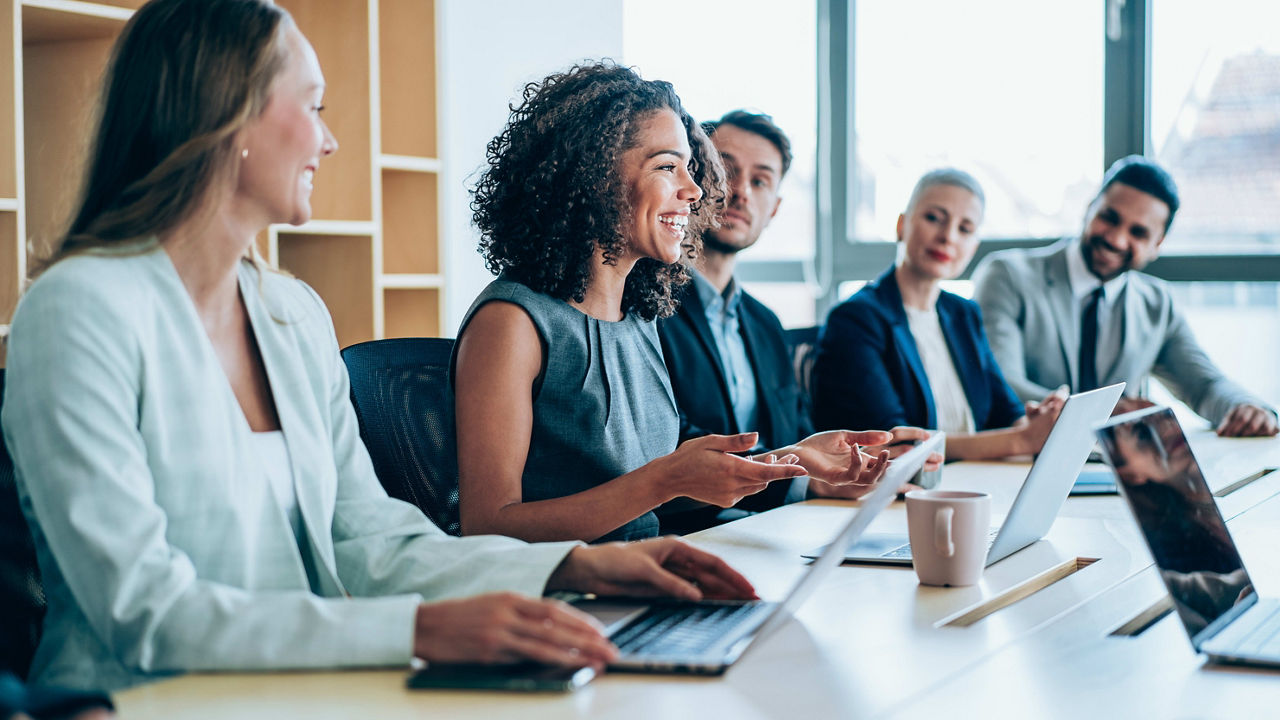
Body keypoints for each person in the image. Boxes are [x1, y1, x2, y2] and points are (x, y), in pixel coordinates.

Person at [2, 0, 758, 693]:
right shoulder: (78, 312)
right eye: (313, 107)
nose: (330, 141)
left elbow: (372, 539)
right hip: (136, 700)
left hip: (305, 690)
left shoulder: (289, 313)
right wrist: (419, 628)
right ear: (227, 119)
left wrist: (583, 563)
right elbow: (143, 608)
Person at [453, 65, 893, 545]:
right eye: (667, 166)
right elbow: (488, 527)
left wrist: (793, 459)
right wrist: (665, 480)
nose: (696, 190)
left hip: (647, 572)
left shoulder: (639, 318)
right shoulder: (511, 322)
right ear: (593, 173)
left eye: (689, 166)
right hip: (570, 601)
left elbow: (657, 493)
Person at [656, 110, 936, 532]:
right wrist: (803, 480)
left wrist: (845, 467)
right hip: (691, 532)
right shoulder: (648, 306)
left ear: (775, 209)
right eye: (725, 171)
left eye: (760, 181)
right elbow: (665, 440)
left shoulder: (765, 324)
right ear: (694, 180)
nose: (741, 192)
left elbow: (798, 435)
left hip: (775, 526)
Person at [972, 155, 1277, 437]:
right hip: (1017, 465)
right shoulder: (1007, 276)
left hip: (1119, 475)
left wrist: (1248, 408)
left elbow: (1205, 387)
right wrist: (1104, 411)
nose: (1117, 239)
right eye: (1110, 218)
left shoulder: (1157, 304)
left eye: (1138, 233)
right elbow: (1000, 385)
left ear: (1158, 244)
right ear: (1089, 207)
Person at [812, 169, 1065, 461]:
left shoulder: (963, 313)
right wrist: (1021, 441)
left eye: (965, 229)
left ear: (973, 248)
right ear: (901, 225)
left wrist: (1039, 424)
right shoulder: (855, 318)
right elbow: (897, 444)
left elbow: (1006, 411)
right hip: (899, 492)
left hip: (975, 481)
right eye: (934, 218)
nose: (948, 237)